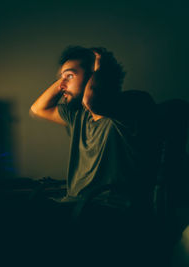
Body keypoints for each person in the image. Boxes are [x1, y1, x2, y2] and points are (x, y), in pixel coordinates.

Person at [30, 46, 157, 204]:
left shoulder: (133, 104)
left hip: (108, 211)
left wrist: (104, 69)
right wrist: (65, 78)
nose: (61, 85)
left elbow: (91, 100)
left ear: (94, 75)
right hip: (74, 206)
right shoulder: (79, 116)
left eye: (70, 76)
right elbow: (38, 108)